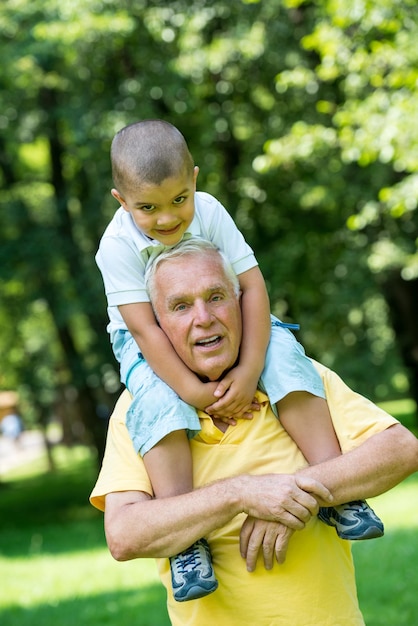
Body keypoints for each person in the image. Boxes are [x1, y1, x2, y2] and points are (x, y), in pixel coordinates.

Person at [95, 120, 382, 601]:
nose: (167, 219)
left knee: (286, 354)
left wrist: (250, 370)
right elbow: (145, 329)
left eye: (178, 200)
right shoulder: (116, 246)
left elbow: (252, 287)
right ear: (121, 201)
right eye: (148, 208)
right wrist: (193, 392)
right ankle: (186, 542)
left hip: (236, 317)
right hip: (147, 340)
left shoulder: (209, 211)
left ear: (196, 181)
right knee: (156, 403)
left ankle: (339, 490)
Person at [90, 239, 418, 626]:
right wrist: (239, 495)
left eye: (216, 297)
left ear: (242, 303)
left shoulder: (294, 378)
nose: (204, 318)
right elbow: (124, 535)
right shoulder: (140, 409)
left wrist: (292, 494)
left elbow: (401, 449)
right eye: (181, 306)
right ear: (158, 327)